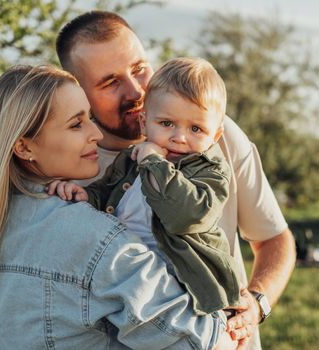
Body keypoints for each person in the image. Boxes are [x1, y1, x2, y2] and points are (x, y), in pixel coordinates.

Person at [0, 65, 240, 349]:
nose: (97, 135)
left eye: (89, 118)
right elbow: (207, 344)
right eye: (76, 124)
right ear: (25, 147)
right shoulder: (97, 240)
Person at [56, 11, 296, 349]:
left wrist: (258, 304)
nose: (137, 90)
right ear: (78, 91)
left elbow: (274, 239)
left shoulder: (214, 136)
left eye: (139, 69)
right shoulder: (67, 161)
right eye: (110, 83)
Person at [51, 57, 242, 315]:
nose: (179, 137)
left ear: (215, 135)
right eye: (166, 123)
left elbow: (186, 217)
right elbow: (107, 192)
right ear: (144, 122)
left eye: (196, 128)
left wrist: (154, 161)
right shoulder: (131, 159)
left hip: (186, 291)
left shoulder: (209, 171)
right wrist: (87, 196)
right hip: (133, 281)